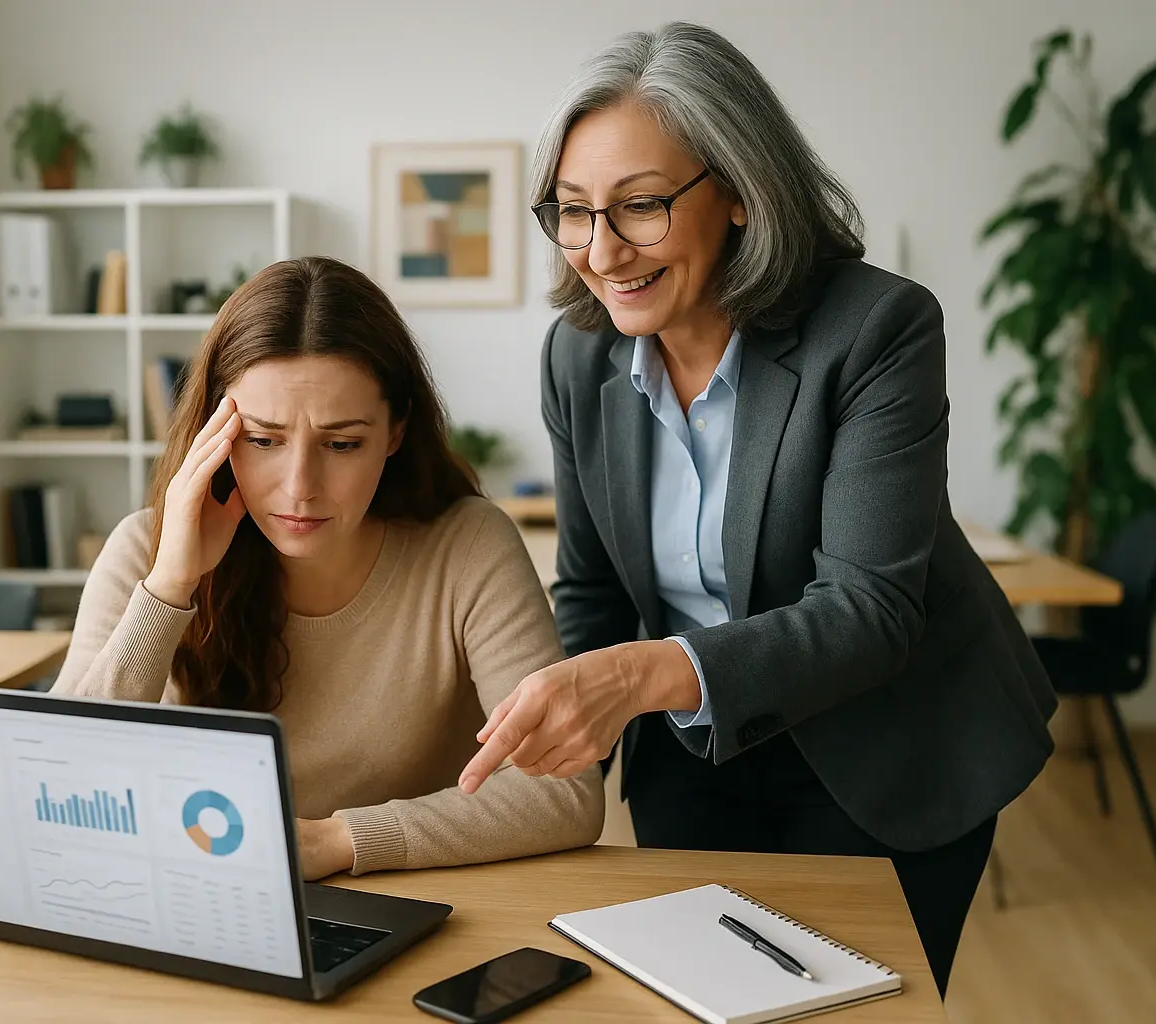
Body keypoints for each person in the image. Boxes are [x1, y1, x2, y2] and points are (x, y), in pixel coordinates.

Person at [458, 23, 1055, 995]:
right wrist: (557, 742)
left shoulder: (875, 329)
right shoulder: (579, 356)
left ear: (739, 188)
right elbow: (594, 591)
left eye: (640, 206)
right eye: (570, 212)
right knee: (698, 1001)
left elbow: (870, 609)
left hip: (890, 745)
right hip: (696, 751)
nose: (601, 252)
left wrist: (647, 673)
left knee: (844, 1009)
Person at [52, 256, 603, 881]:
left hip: (419, 909)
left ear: (395, 431)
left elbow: (563, 793)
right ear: (215, 431)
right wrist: (170, 587)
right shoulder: (141, 553)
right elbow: (62, 786)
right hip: (197, 900)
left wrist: (342, 841)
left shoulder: (468, 547)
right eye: (262, 440)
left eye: (342, 445)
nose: (300, 488)